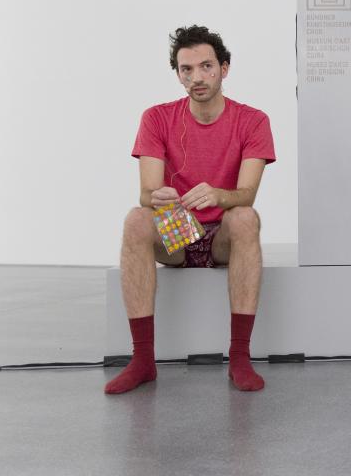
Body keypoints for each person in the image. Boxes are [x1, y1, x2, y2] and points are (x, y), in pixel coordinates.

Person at [104, 25, 275, 394]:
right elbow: (146, 195)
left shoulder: (253, 120)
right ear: (178, 75)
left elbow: (246, 194)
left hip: (221, 238)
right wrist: (159, 197)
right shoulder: (157, 117)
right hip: (179, 232)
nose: (197, 77)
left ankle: (240, 358)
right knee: (136, 219)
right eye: (187, 69)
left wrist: (219, 195)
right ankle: (143, 361)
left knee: (246, 218)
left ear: (224, 68)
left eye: (206, 66)